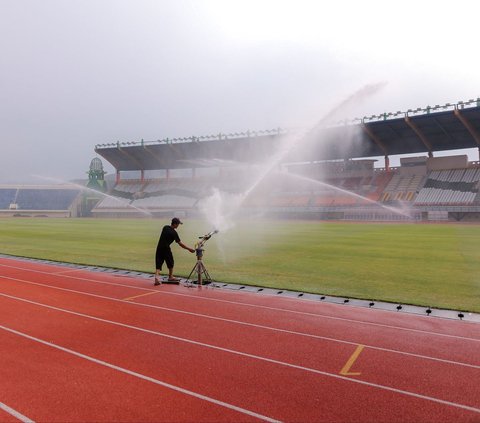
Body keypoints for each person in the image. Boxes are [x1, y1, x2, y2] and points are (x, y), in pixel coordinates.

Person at [154, 217, 195, 285]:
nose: (178, 225)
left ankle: (156, 278)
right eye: (178, 224)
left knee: (159, 263)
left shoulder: (165, 227)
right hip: (166, 249)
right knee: (171, 262)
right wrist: (189, 249)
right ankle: (170, 277)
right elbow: (180, 244)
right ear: (175, 224)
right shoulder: (174, 233)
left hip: (159, 248)